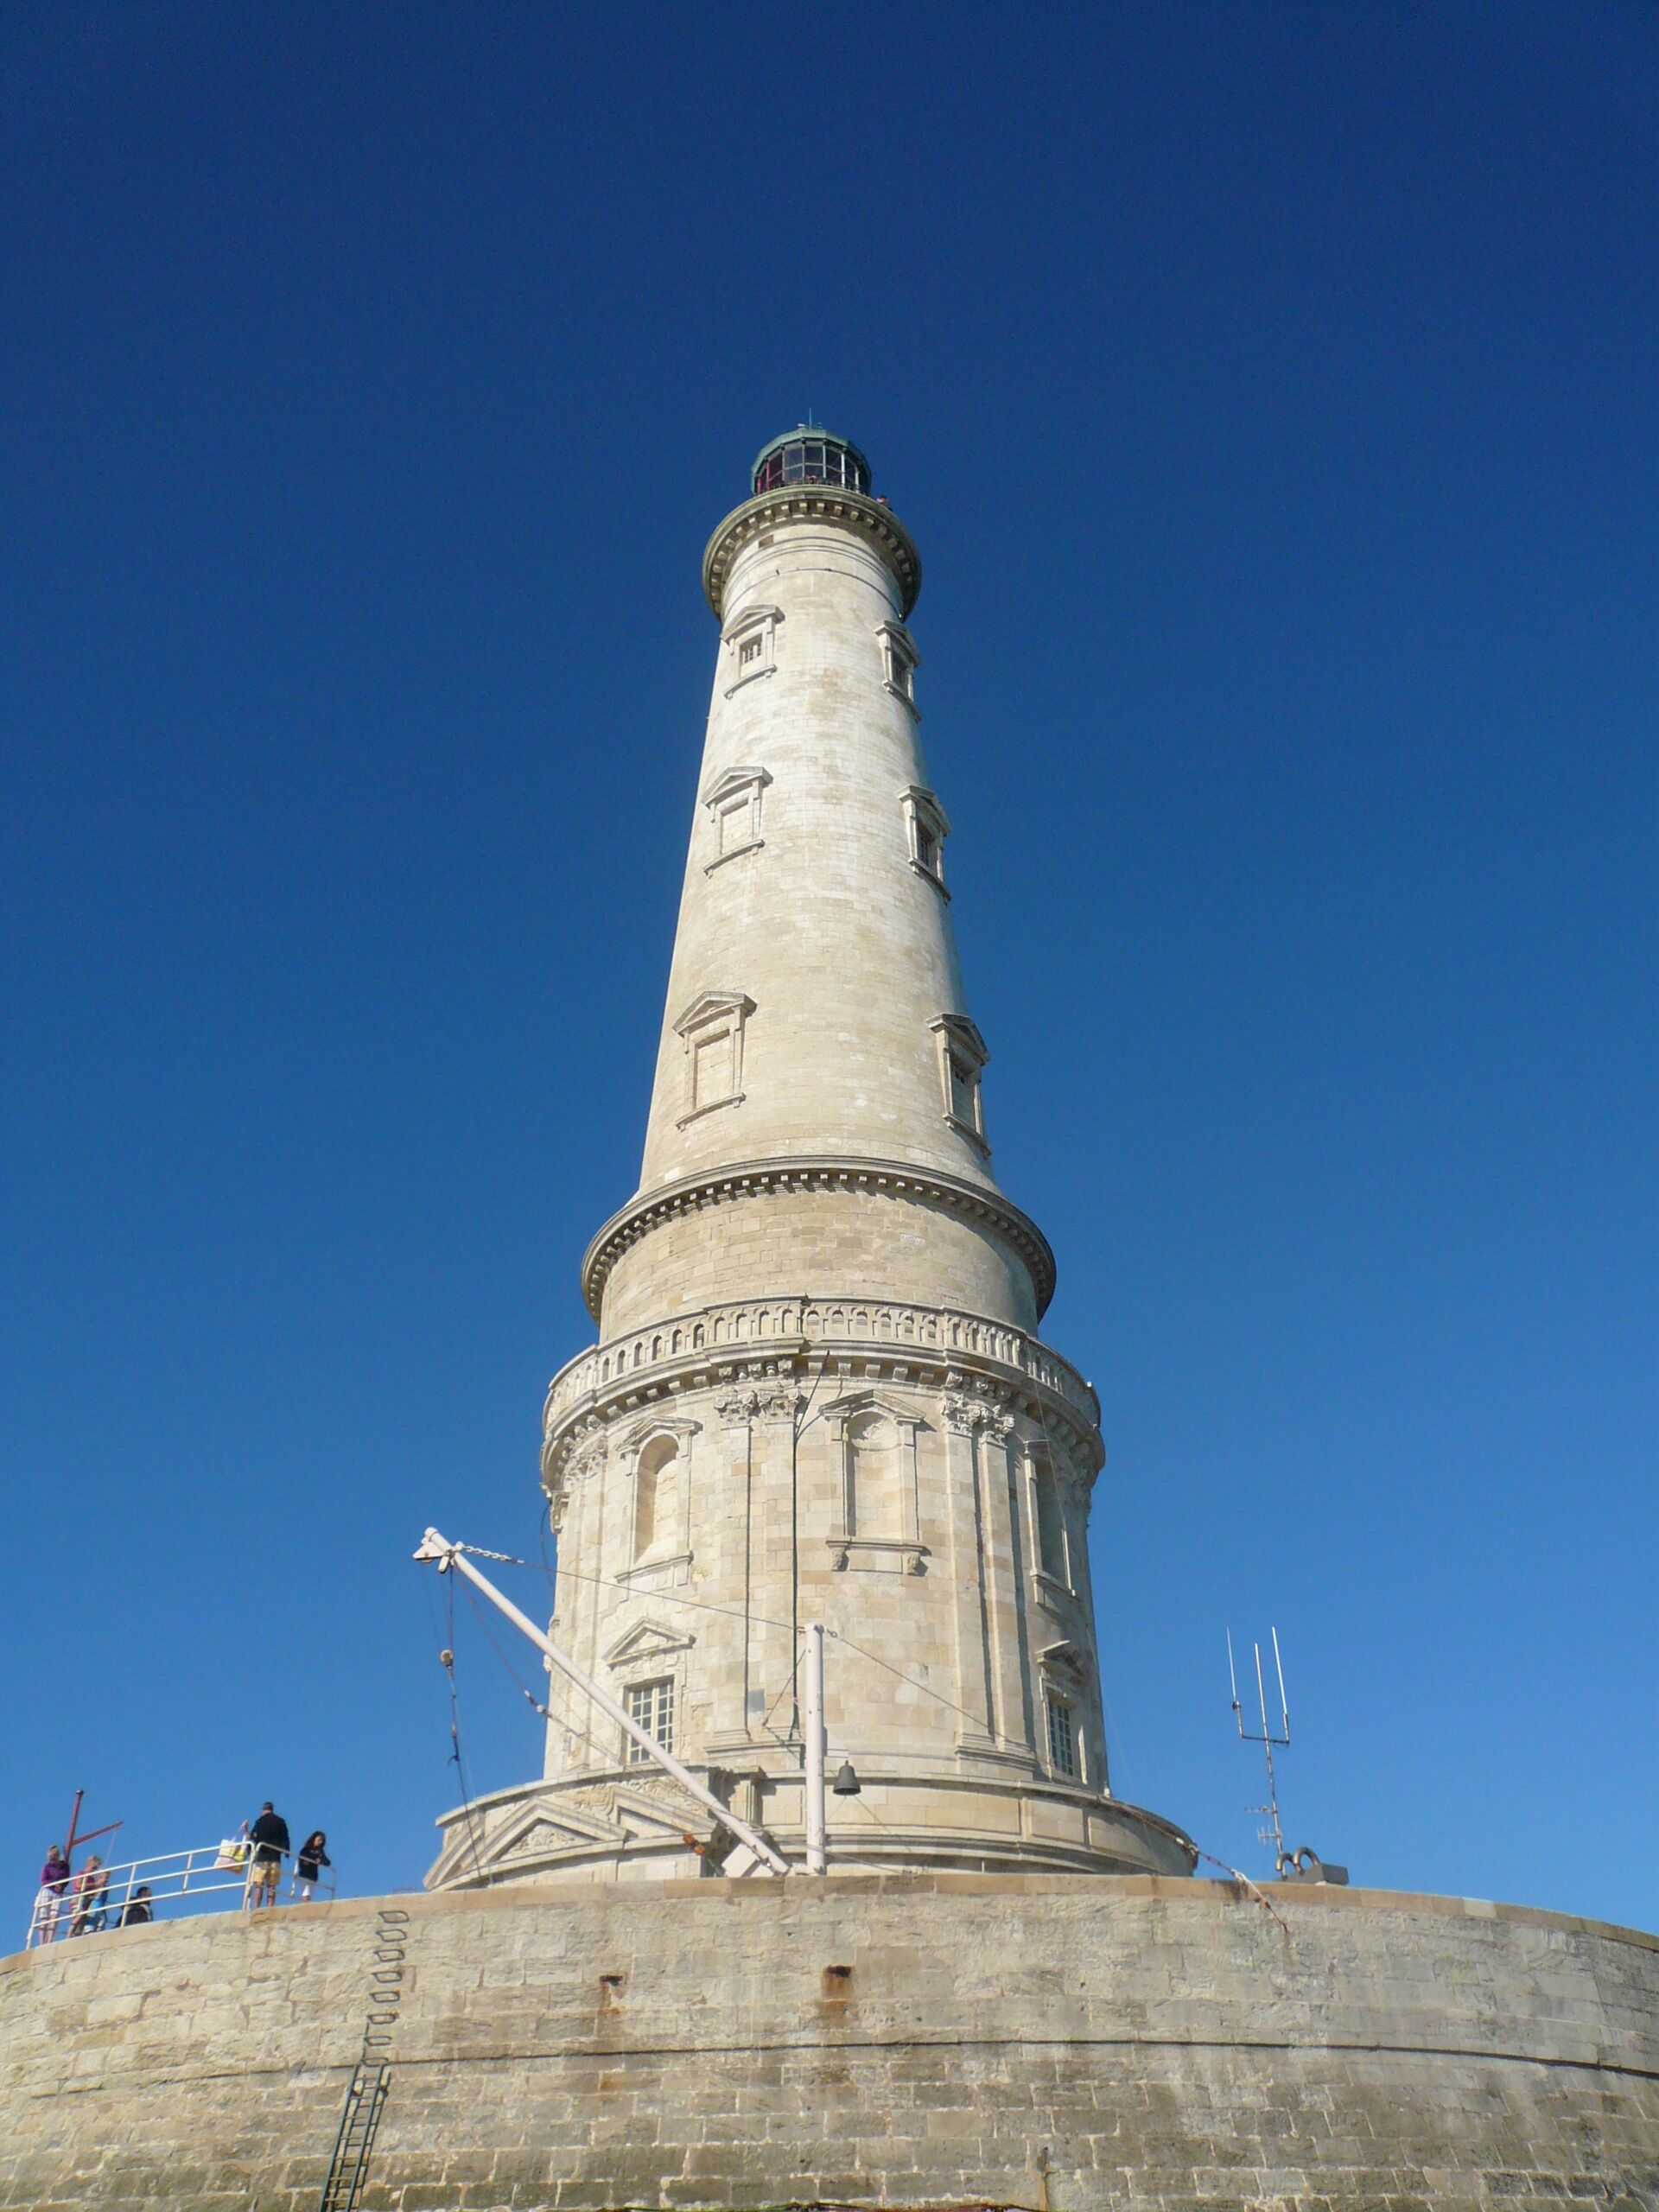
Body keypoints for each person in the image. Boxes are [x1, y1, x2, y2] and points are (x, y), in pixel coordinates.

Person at [245, 1802, 289, 1910]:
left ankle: (256, 1907)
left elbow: (254, 1837)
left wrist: (245, 1830)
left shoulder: (260, 1822)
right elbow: (285, 1839)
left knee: (259, 1884)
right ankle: (270, 1907)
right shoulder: (281, 1822)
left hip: (262, 1856)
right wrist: (286, 1851)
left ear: (263, 1810)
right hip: (275, 1857)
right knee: (272, 1885)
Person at [35, 1844, 71, 1943]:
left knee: (54, 1916)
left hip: (58, 1893)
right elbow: (44, 1880)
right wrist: (54, 1885)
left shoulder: (64, 1866)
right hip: (47, 1891)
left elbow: (67, 1878)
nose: (51, 1860)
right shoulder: (47, 1867)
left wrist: (62, 1886)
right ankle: (42, 1942)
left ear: (57, 1856)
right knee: (44, 1917)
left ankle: (50, 1939)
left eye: (53, 1858)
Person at [69, 1854, 109, 1937]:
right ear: (88, 1865)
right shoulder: (81, 1873)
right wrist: (95, 1884)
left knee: (83, 1921)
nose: (94, 1871)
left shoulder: (92, 1879)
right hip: (78, 1898)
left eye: (96, 1869)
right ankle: (69, 1933)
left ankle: (76, 1936)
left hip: (87, 1901)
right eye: (94, 1868)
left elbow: (92, 1891)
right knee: (79, 1916)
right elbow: (78, 1885)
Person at [293, 1830, 331, 1903]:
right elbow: (302, 1860)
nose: (320, 1842)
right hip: (305, 1874)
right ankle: (303, 1909)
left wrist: (321, 1861)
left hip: (313, 1876)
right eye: (319, 1840)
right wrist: (313, 1860)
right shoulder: (305, 1850)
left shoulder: (320, 1851)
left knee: (310, 1895)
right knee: (305, 1894)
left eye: (321, 1841)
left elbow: (327, 1862)